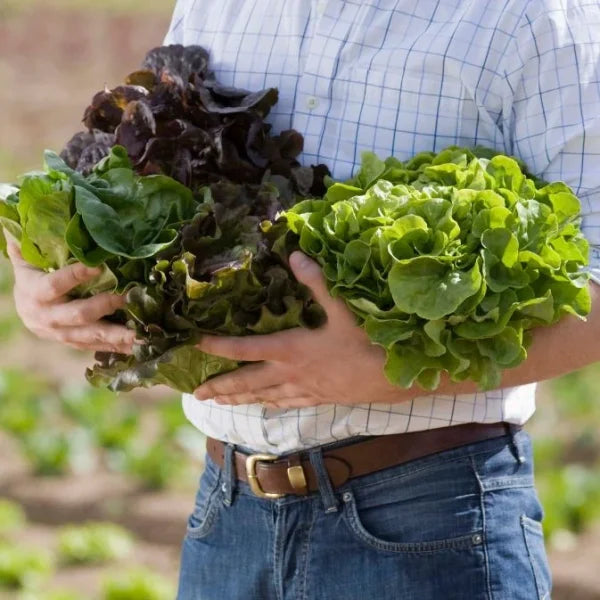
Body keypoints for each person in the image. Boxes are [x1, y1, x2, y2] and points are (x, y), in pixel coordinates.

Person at [5, 0, 600, 598]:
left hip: (430, 519)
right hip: (226, 517)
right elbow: (131, 178)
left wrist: (393, 373)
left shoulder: (530, 16)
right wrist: (40, 265)